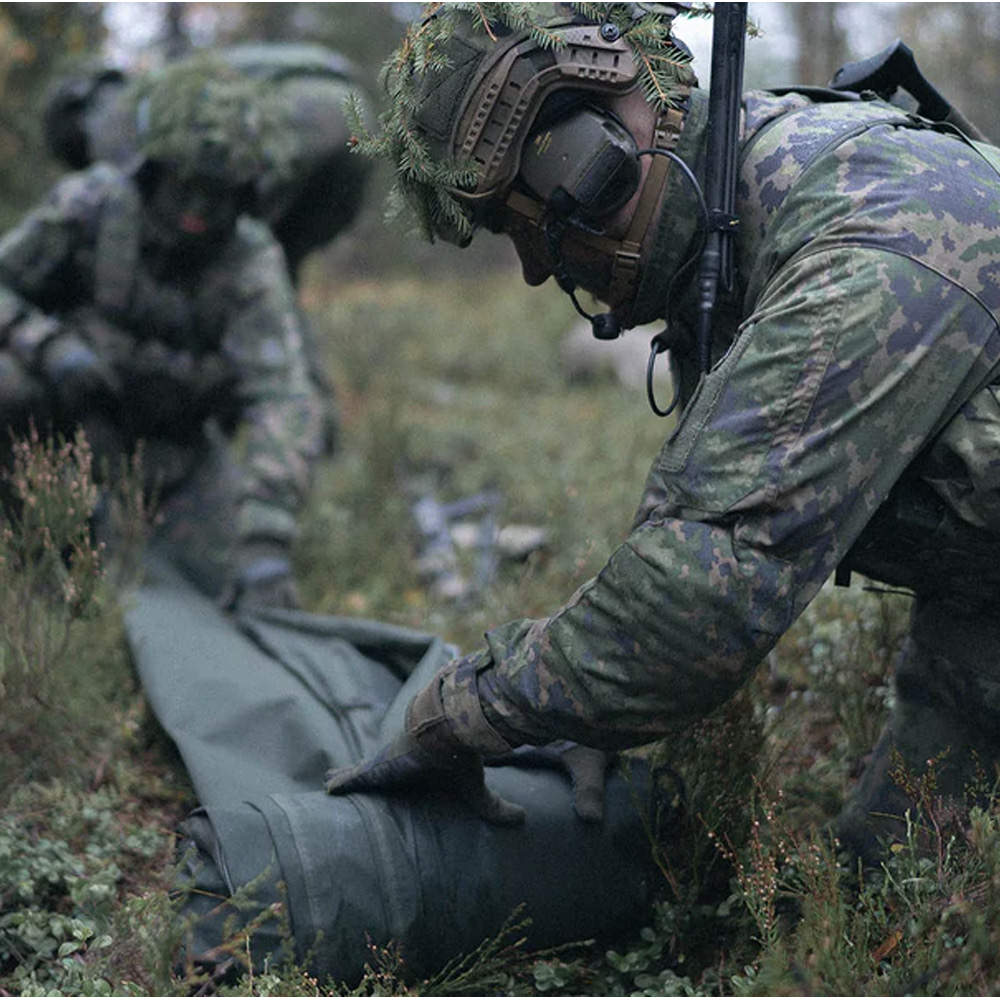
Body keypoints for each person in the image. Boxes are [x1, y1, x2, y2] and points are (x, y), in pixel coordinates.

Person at [325, 3, 1000, 861]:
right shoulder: (732, 230)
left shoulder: (868, 229)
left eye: (533, 213)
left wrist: (468, 711)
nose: (537, 265)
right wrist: (581, 707)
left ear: (591, 158)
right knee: (887, 892)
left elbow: (701, 592)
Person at [0, 56, 326, 610]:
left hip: (176, 455)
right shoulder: (94, 205)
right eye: (185, 186)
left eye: (217, 194)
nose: (198, 211)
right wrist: (49, 346)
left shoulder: (250, 260)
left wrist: (265, 533)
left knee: (231, 598)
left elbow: (285, 396)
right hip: (64, 430)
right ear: (154, 170)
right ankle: (30, 550)